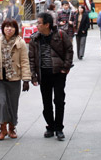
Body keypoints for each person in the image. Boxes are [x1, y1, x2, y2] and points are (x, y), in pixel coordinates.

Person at [29, 12, 73, 141]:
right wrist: (33, 75)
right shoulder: (35, 39)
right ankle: (50, 126)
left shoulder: (60, 35)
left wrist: (65, 67)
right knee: (46, 102)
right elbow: (31, 58)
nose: (37, 25)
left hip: (59, 73)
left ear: (47, 25)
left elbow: (69, 50)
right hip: (44, 74)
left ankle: (59, 128)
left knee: (59, 101)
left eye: (39, 23)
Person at [0, 19, 31, 140]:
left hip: (15, 78)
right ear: (3, 28)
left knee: (13, 105)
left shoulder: (20, 42)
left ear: (16, 29)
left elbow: (24, 61)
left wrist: (26, 79)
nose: (9, 29)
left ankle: (12, 128)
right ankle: (3, 129)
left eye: (12, 27)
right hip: (0, 78)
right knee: (1, 103)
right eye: (6, 26)